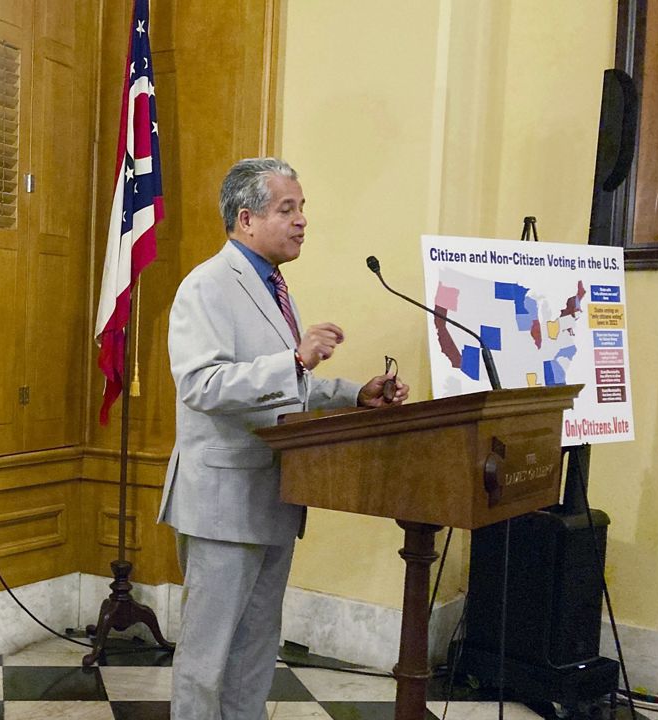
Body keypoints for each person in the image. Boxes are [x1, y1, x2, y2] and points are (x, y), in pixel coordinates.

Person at [158, 157, 410, 720]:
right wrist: (294, 358)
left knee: (255, 649)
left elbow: (284, 386)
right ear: (246, 219)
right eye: (287, 209)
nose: (301, 221)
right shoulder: (207, 286)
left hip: (273, 494)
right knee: (208, 654)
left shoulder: (273, 285)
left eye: (303, 209)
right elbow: (203, 386)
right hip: (222, 500)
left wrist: (354, 394)